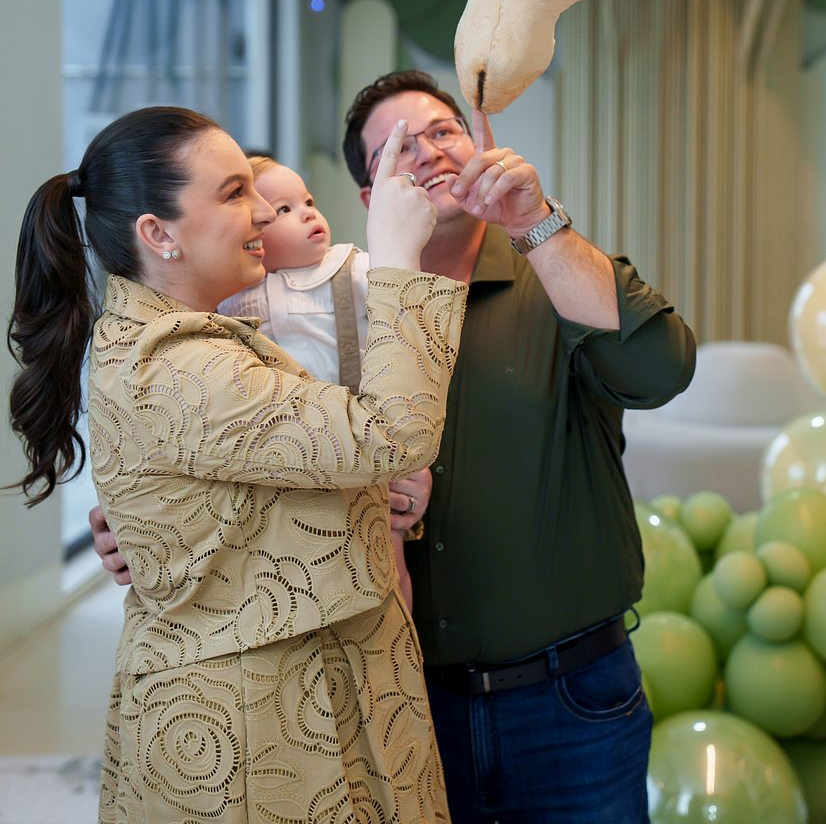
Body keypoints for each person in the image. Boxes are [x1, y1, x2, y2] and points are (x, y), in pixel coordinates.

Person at [7, 104, 467, 824]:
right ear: (158, 234)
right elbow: (389, 435)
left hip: (281, 691)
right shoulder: (176, 364)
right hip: (256, 728)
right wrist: (397, 258)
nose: (260, 212)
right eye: (232, 193)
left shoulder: (190, 338)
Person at [339, 70, 697, 824]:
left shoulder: (559, 278)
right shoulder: (348, 322)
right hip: (408, 706)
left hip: (573, 703)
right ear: (372, 200)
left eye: (443, 131)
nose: (430, 152)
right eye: (399, 147)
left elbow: (659, 372)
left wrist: (532, 220)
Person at [217, 155, 430, 611]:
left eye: (308, 202)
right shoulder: (234, 297)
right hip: (292, 456)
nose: (308, 214)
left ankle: (400, 641)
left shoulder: (352, 268)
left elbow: (404, 298)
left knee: (388, 564)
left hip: (361, 439)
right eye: (284, 209)